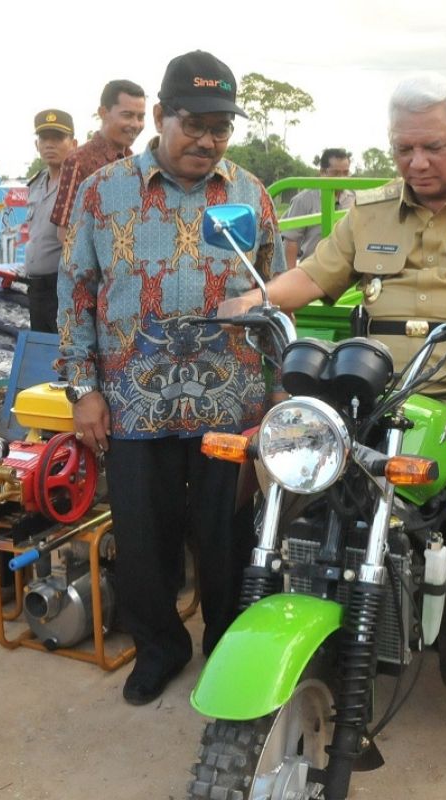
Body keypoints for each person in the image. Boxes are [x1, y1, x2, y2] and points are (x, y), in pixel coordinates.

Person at [217, 72, 446, 729]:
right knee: (284, 447)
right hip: (378, 378)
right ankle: (308, 584)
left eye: (433, 147)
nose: (418, 163)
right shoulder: (371, 209)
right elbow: (314, 274)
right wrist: (253, 300)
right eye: (404, 149)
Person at [57, 50, 285, 706]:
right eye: (195, 124)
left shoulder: (249, 193)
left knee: (227, 537)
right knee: (143, 533)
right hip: (132, 399)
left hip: (228, 401)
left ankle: (226, 647)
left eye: (221, 128)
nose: (208, 141)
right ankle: (159, 647)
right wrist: (85, 389)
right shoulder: (105, 192)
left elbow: (271, 297)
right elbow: (77, 291)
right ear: (160, 116)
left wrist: (273, 392)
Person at [50, 79, 146, 243]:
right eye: (127, 115)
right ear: (103, 112)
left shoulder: (137, 163)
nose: (135, 124)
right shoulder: (78, 161)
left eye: (140, 117)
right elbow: (65, 233)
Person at [24, 109, 77, 333]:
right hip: (36, 286)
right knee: (41, 353)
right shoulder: (35, 184)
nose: (49, 145)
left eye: (57, 138)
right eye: (44, 139)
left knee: (62, 352)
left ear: (73, 144)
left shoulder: (77, 183)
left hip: (62, 286)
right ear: (37, 145)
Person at [281, 147, 354, 268]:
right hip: (313, 269)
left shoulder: (354, 198)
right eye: (335, 173)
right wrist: (290, 277)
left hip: (346, 270)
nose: (342, 178)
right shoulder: (304, 200)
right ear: (323, 172)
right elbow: (291, 241)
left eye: (346, 173)